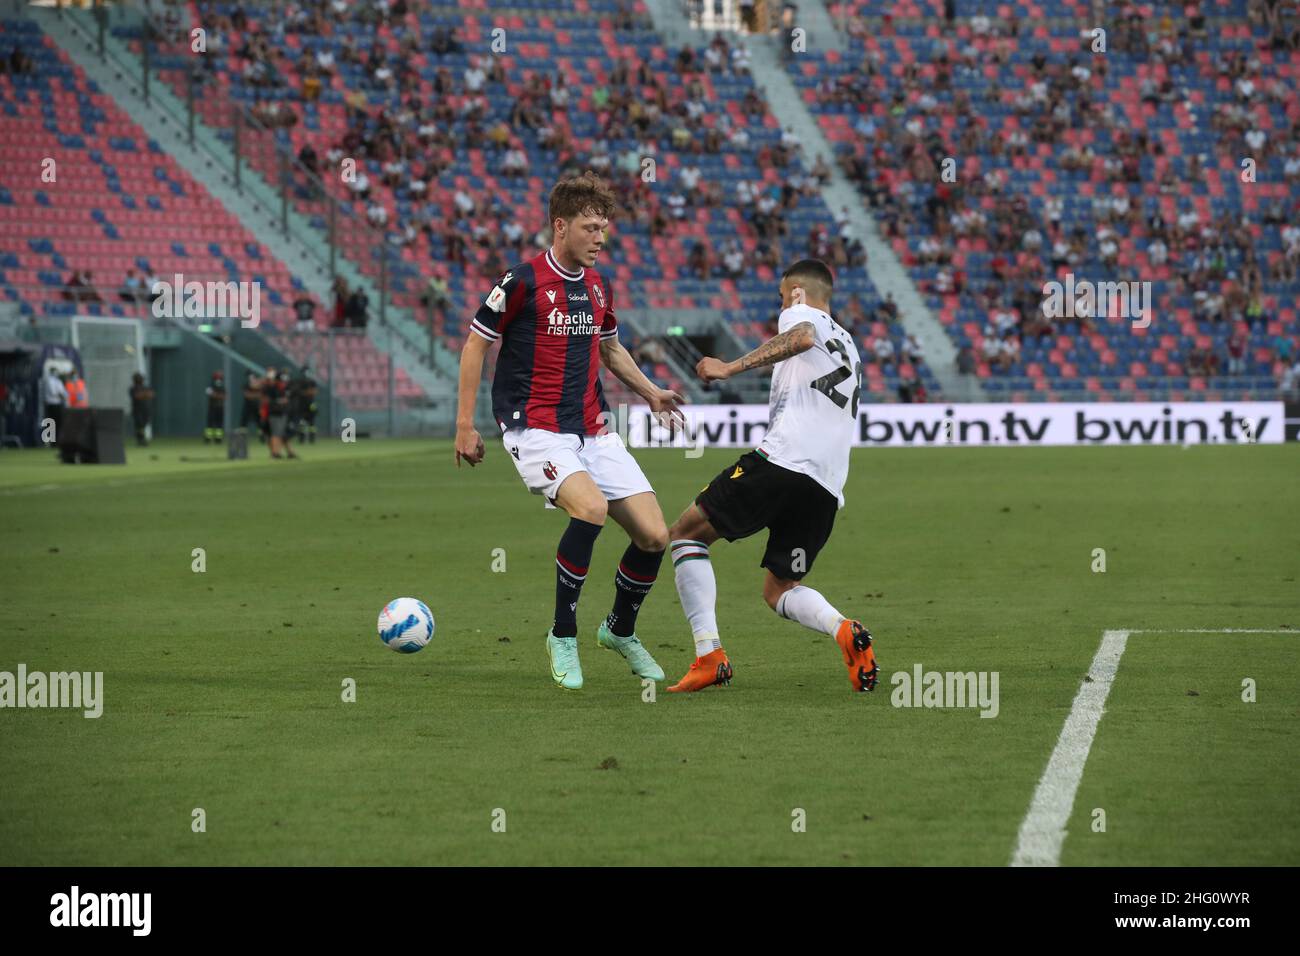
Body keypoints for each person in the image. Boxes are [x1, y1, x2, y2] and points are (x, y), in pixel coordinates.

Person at [454, 173, 684, 691]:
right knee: (592, 509)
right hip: (533, 427)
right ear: (561, 226)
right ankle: (563, 634)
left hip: (593, 429)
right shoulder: (521, 282)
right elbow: (475, 345)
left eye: (604, 227)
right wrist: (465, 424)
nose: (600, 237)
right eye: (590, 227)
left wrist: (650, 391)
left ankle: (619, 630)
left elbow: (610, 348)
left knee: (654, 536)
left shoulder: (599, 285)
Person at [664, 259, 879, 693]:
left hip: (783, 461)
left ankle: (710, 655)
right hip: (826, 486)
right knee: (780, 588)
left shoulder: (801, 314)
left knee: (685, 534)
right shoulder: (851, 344)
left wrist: (729, 367)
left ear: (797, 291)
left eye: (783, 296)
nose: (782, 304)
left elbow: (800, 337)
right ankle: (843, 629)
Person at [42, 366, 67, 447]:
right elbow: (54, 392)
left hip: (58, 404)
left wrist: (63, 395)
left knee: (58, 423)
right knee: (51, 423)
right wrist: (62, 395)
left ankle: (57, 441)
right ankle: (51, 442)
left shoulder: (58, 381)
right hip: (52, 404)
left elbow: (64, 393)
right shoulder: (49, 381)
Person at [128, 372, 154, 446]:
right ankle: (140, 439)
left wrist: (143, 395)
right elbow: (137, 396)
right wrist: (145, 395)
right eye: (138, 379)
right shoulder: (133, 388)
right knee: (139, 425)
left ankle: (141, 439)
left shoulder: (146, 387)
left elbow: (151, 394)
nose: (139, 380)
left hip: (146, 409)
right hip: (137, 410)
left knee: (144, 424)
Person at [204, 371, 226, 444]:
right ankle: (208, 438)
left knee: (219, 424)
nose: (219, 378)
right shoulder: (210, 385)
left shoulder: (222, 386)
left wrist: (216, 394)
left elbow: (224, 396)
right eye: (218, 376)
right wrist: (218, 395)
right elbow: (210, 394)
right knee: (210, 423)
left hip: (220, 407)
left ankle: (218, 439)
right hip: (212, 407)